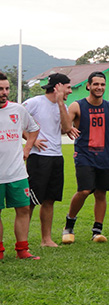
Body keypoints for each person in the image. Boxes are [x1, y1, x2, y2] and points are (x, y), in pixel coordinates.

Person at [62, 71, 109, 243]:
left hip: (105, 156)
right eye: (96, 84)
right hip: (84, 155)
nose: (99, 87)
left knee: (101, 193)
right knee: (84, 190)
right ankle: (69, 225)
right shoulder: (77, 106)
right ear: (88, 86)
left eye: (102, 84)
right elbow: (63, 128)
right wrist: (68, 128)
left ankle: (97, 231)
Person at [23, 73, 73, 248]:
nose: (70, 91)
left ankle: (46, 239)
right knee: (31, 201)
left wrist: (60, 103)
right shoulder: (35, 103)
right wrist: (32, 140)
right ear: (58, 86)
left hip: (56, 157)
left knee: (50, 199)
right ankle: (23, 240)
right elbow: (18, 121)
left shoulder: (63, 106)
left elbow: (67, 128)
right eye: (68, 87)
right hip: (38, 158)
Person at [0, 72, 41, 260]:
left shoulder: (18, 110)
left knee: (24, 209)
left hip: (17, 172)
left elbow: (33, 128)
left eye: (7, 88)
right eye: (1, 89)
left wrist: (28, 148)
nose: (4, 92)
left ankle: (22, 250)